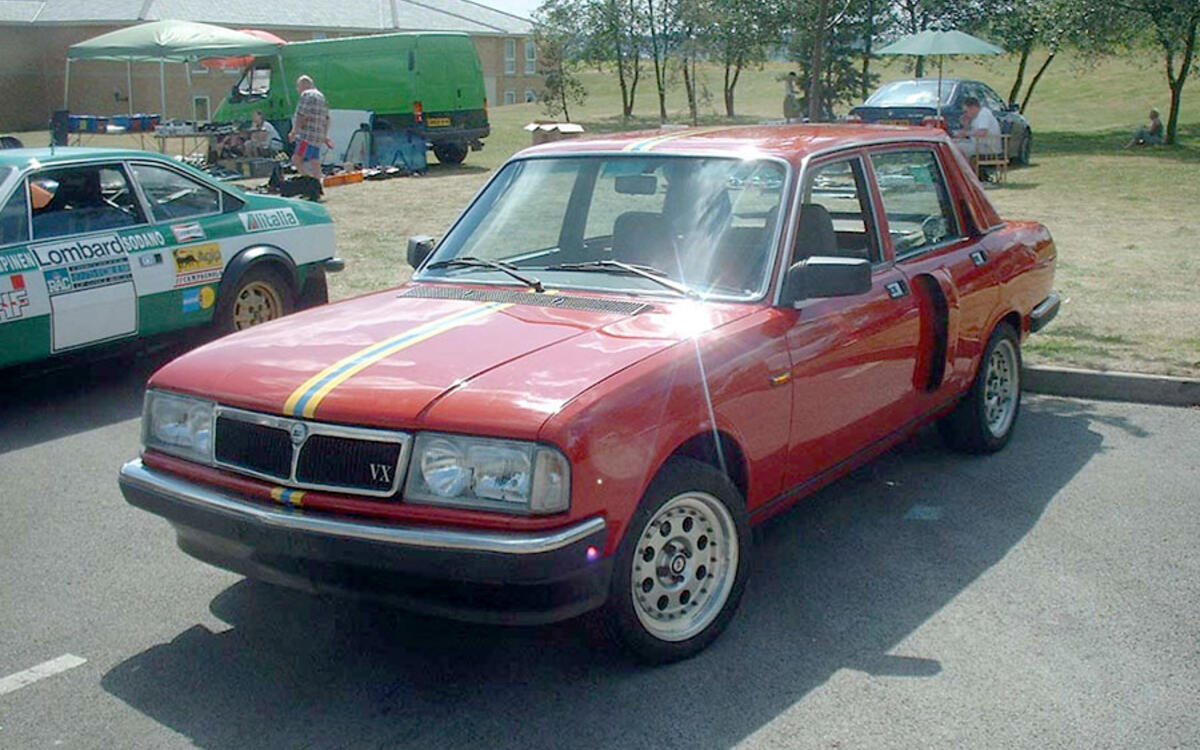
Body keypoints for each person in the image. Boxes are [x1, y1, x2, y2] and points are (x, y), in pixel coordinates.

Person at [288, 75, 332, 179]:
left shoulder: (306, 94)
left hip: (306, 137)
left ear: (304, 84)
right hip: (317, 136)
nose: (297, 89)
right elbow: (327, 118)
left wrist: (294, 131)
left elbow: (302, 115)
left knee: (296, 159)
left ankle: (308, 180)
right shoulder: (321, 96)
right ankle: (318, 179)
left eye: (298, 86)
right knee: (314, 160)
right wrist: (325, 136)